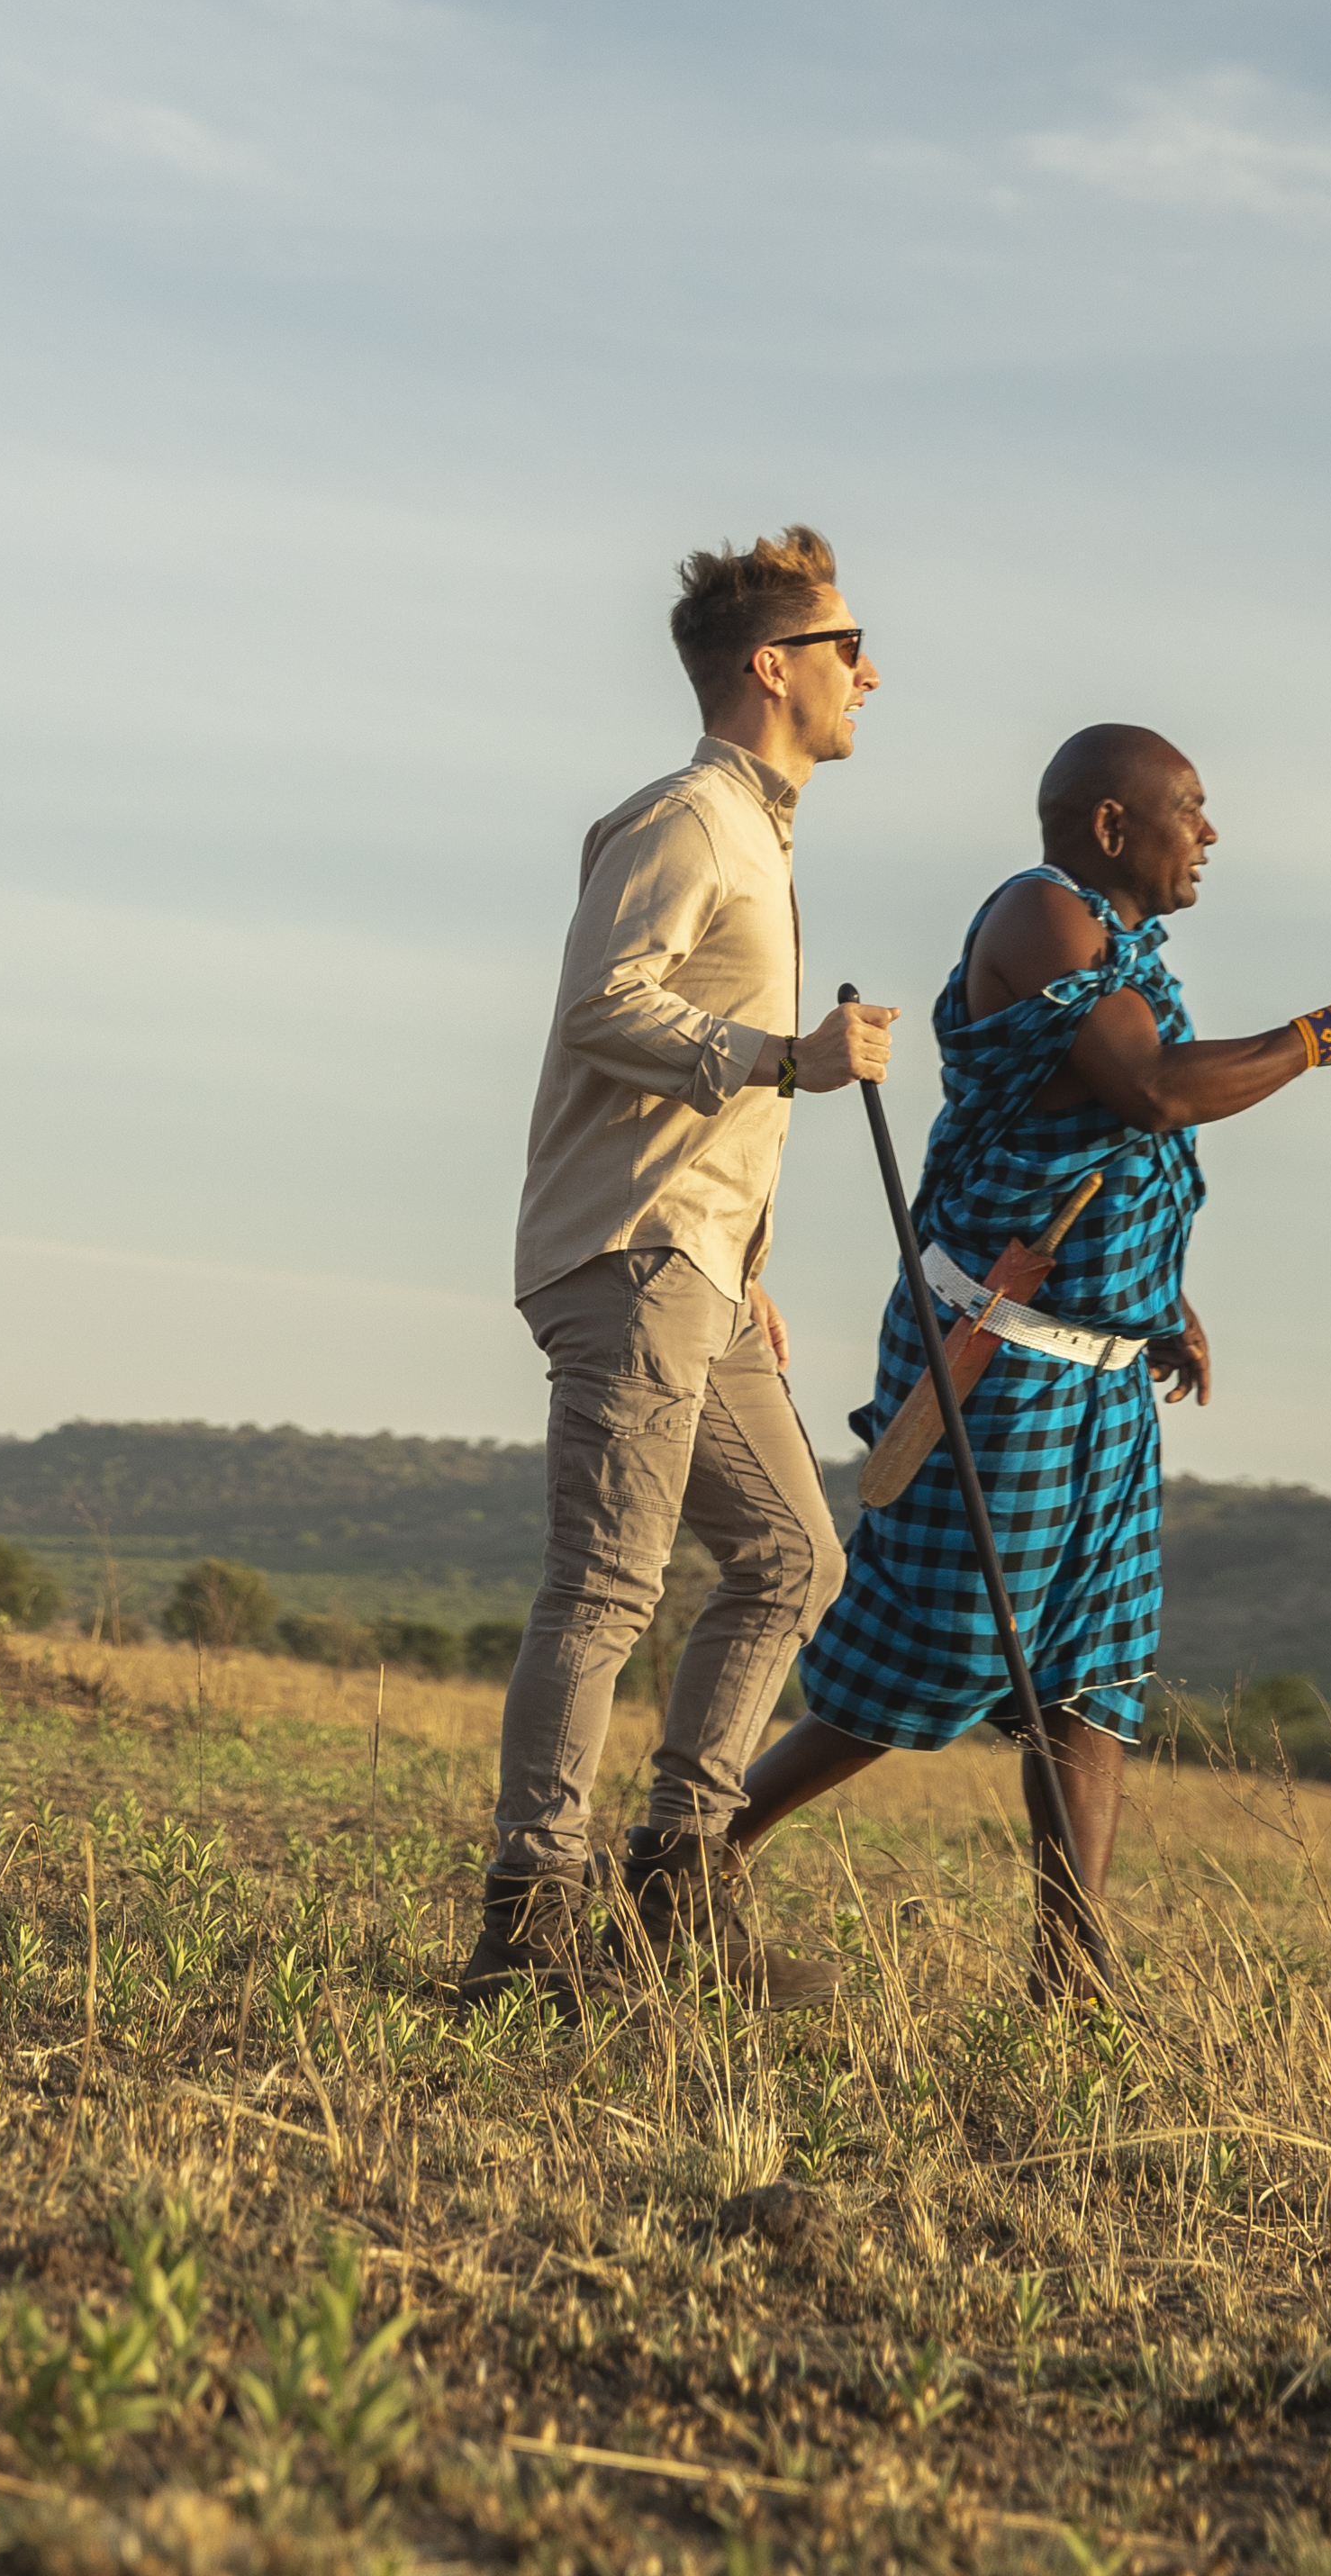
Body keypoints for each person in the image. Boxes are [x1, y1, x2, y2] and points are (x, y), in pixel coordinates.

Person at [729, 725, 1331, 1994]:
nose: (1212, 836)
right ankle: (695, 1854)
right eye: (1193, 810)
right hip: (994, 1363)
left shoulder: (1124, 951)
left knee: (1094, 1671)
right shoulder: (1041, 916)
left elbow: (1115, 1150)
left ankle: (1072, 1961)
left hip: (1102, 1378)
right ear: (1114, 827)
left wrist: (1155, 1302)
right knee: (947, 1646)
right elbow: (1154, 1092)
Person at [465, 525, 896, 2014]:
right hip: (635, 1255)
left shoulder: (758, 831)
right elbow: (605, 1006)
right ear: (775, 667)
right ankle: (528, 1928)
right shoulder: (690, 819)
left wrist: (750, 1252)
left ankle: (679, 1882)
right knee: (605, 1588)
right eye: (849, 650)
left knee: (796, 1558)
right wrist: (786, 1056)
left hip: (699, 1265)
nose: (871, 675)